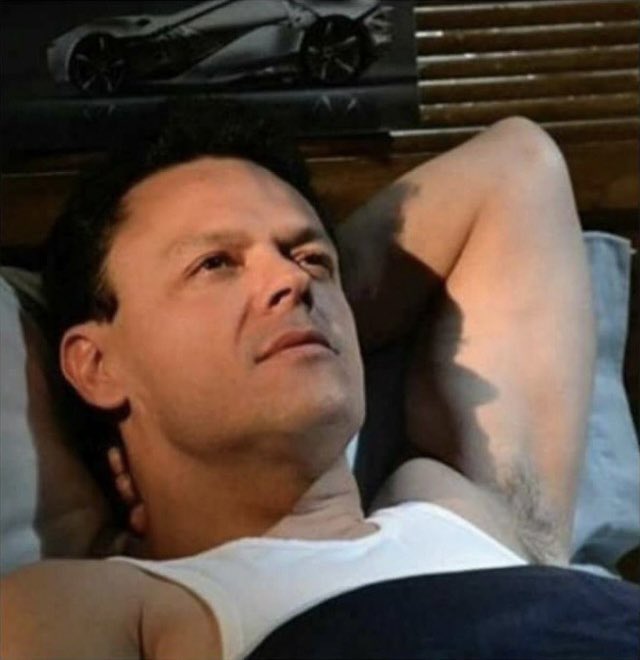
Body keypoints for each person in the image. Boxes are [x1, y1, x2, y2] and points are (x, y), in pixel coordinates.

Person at [1, 102, 636, 659]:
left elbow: (520, 165)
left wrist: (314, 308)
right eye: (215, 263)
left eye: (309, 258)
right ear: (96, 365)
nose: (292, 281)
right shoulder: (108, 606)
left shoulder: (467, 512)